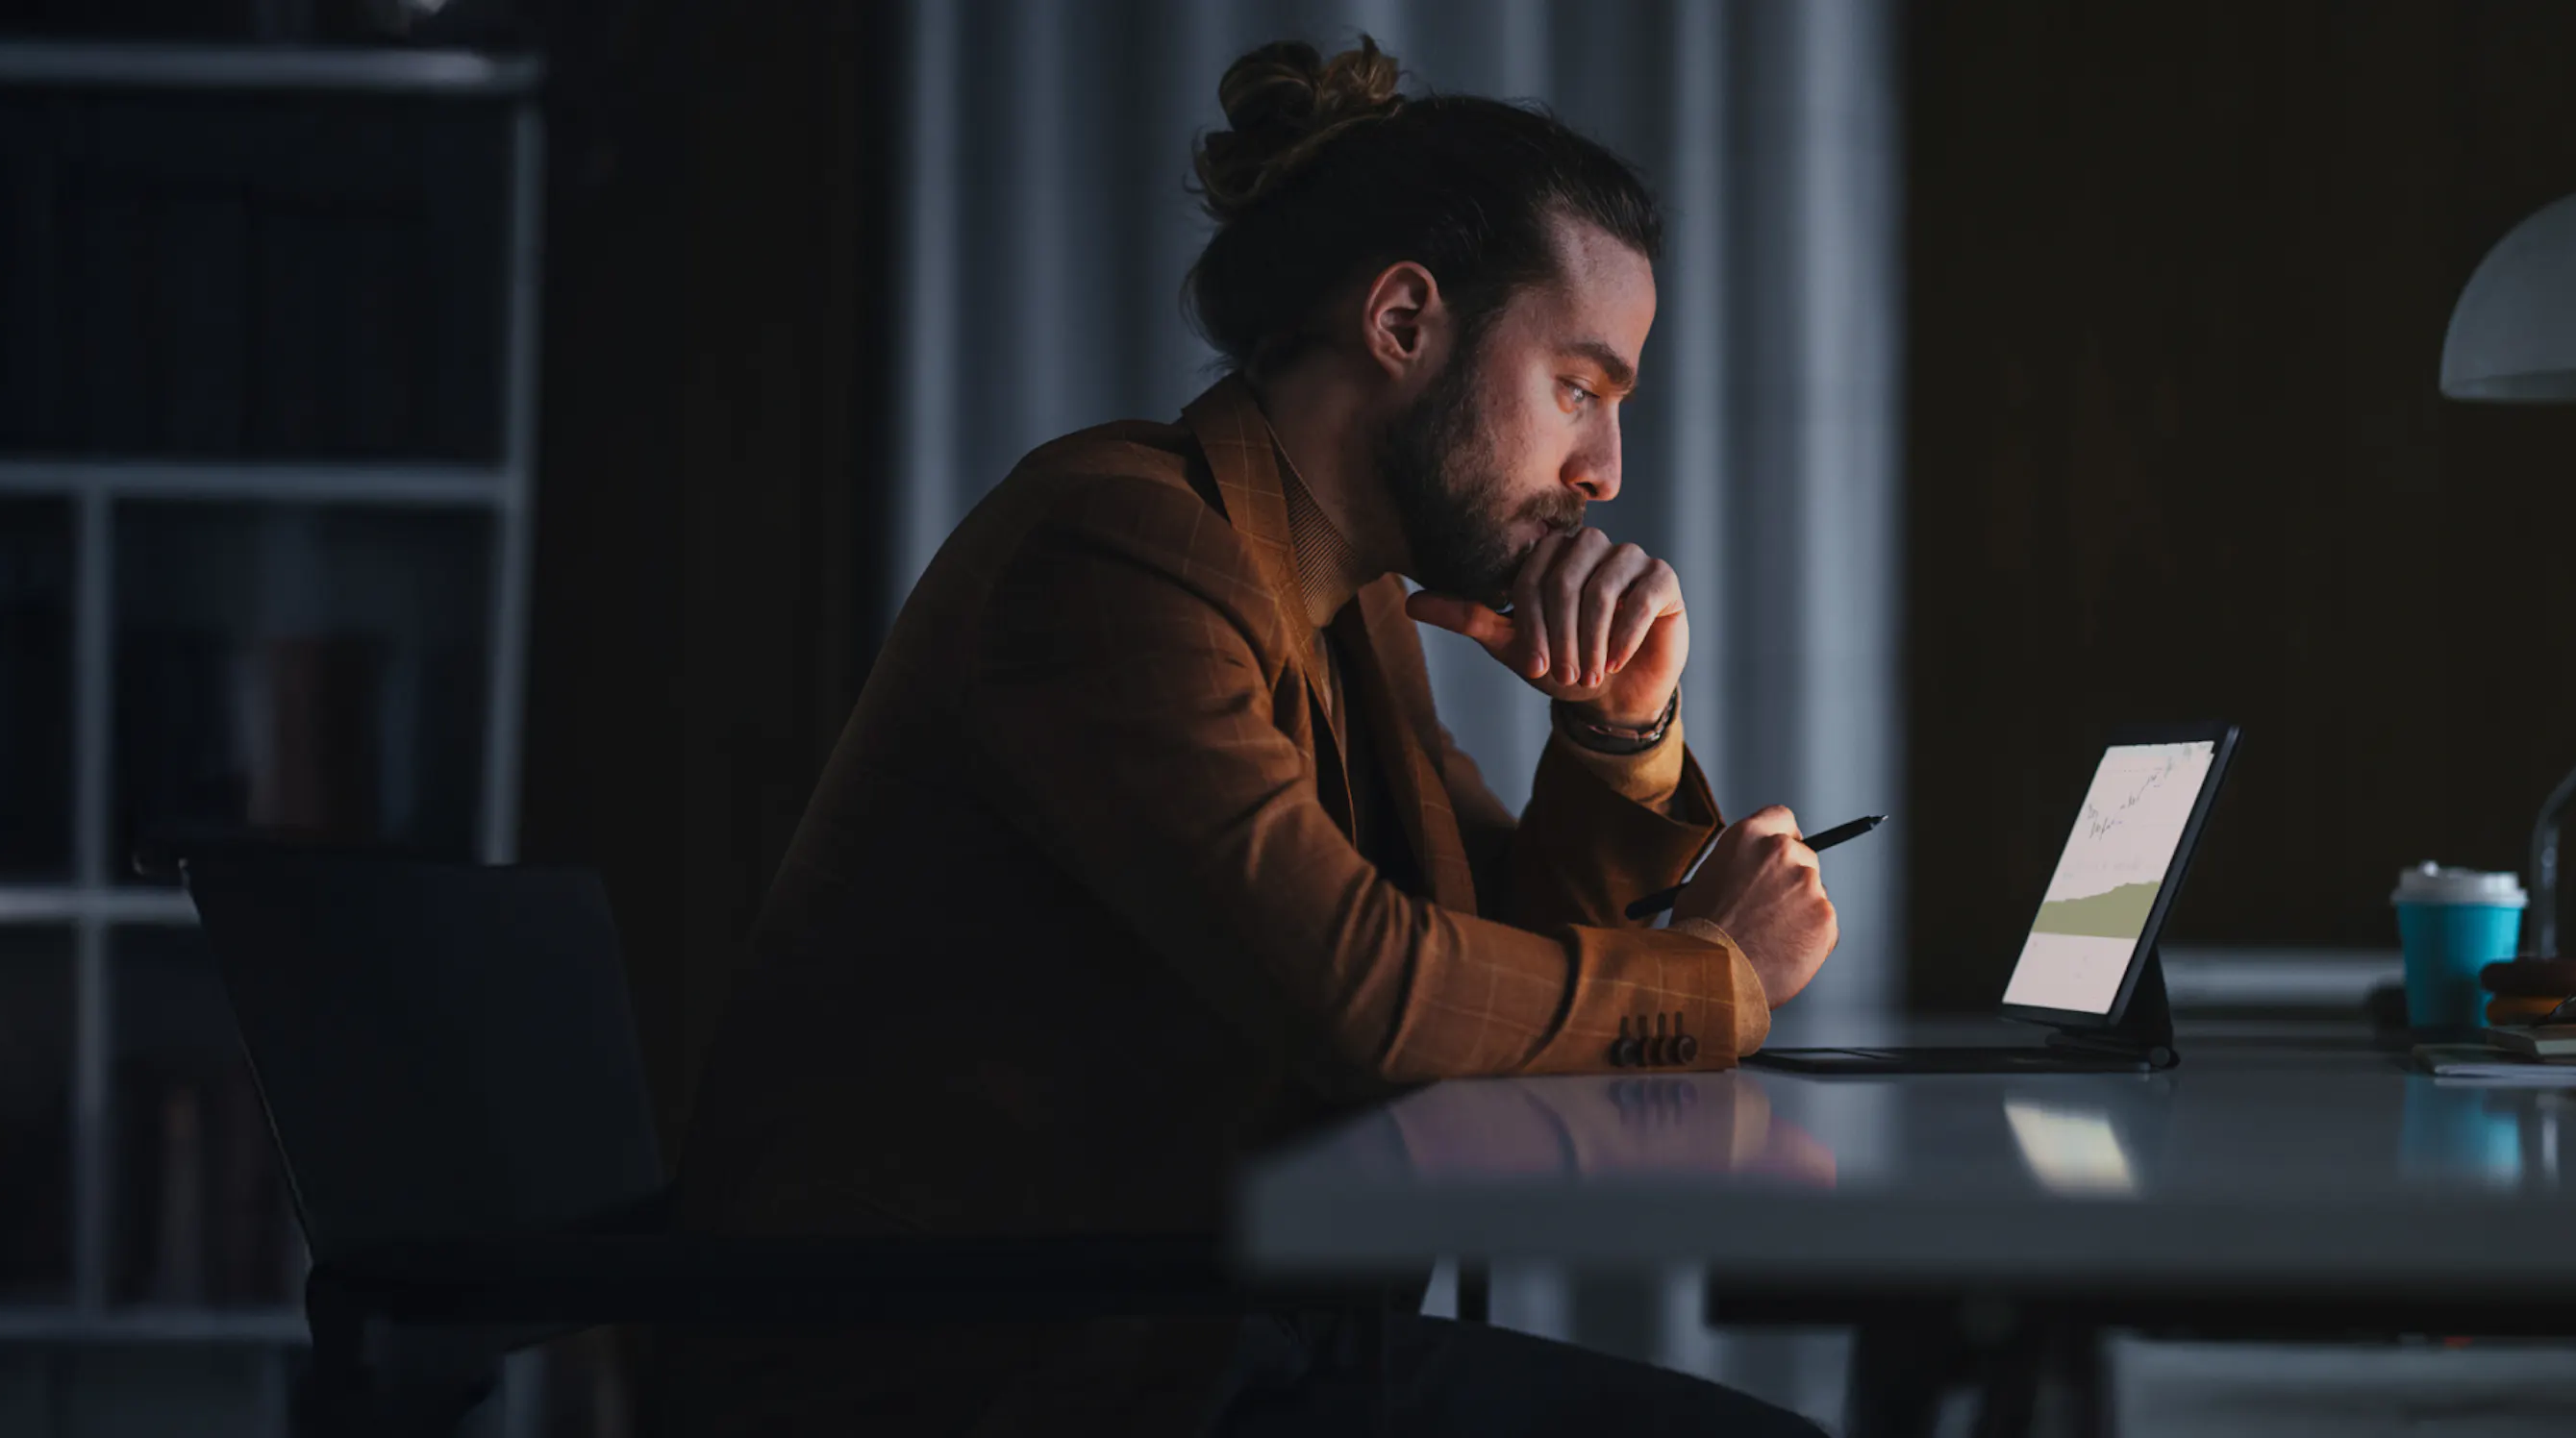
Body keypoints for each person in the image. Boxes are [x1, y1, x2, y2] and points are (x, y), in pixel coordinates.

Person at [659, 35, 1841, 1438]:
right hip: (982, 1377)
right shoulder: (1118, 548)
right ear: (1403, 324)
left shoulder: (1343, 606)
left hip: (1185, 1345)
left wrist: (1617, 734)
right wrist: (1719, 982)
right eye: (1579, 387)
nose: (1606, 471)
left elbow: (1489, 947)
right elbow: (1378, 996)